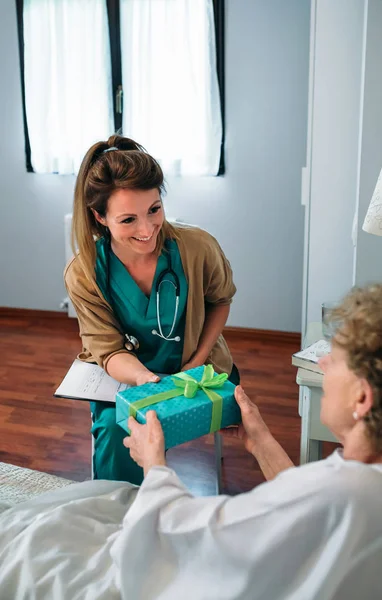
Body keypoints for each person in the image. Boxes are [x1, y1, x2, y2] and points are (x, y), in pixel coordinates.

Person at [0, 284, 381, 600]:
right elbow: (306, 507)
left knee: (40, 536)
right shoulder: (358, 482)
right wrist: (260, 441)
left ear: (362, 399)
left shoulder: (338, 494)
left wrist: (154, 464)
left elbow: (188, 536)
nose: (325, 363)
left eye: (337, 357)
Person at [64, 135, 239, 484]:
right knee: (119, 434)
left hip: (196, 367)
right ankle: (124, 521)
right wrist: (149, 383)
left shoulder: (198, 247)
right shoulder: (84, 273)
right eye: (128, 220)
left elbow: (220, 300)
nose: (147, 230)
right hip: (129, 377)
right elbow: (109, 351)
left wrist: (194, 364)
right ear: (99, 217)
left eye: (154, 210)